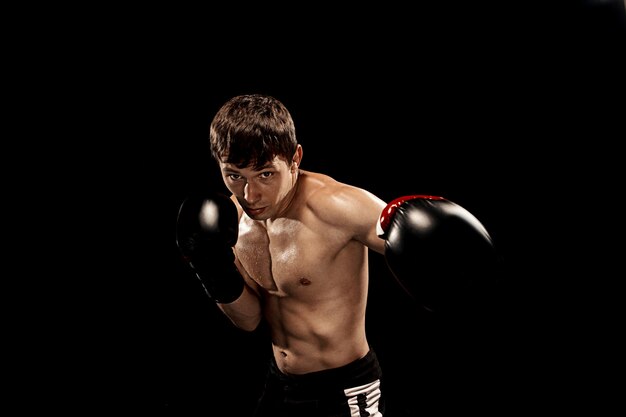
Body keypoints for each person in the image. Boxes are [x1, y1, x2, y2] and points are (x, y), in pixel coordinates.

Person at [175, 94, 499, 416]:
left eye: (265, 174)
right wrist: (211, 268)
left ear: (294, 159)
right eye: (234, 176)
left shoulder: (337, 207)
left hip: (345, 388)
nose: (250, 195)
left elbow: (419, 241)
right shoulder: (231, 222)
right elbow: (249, 320)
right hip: (281, 385)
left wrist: (460, 271)